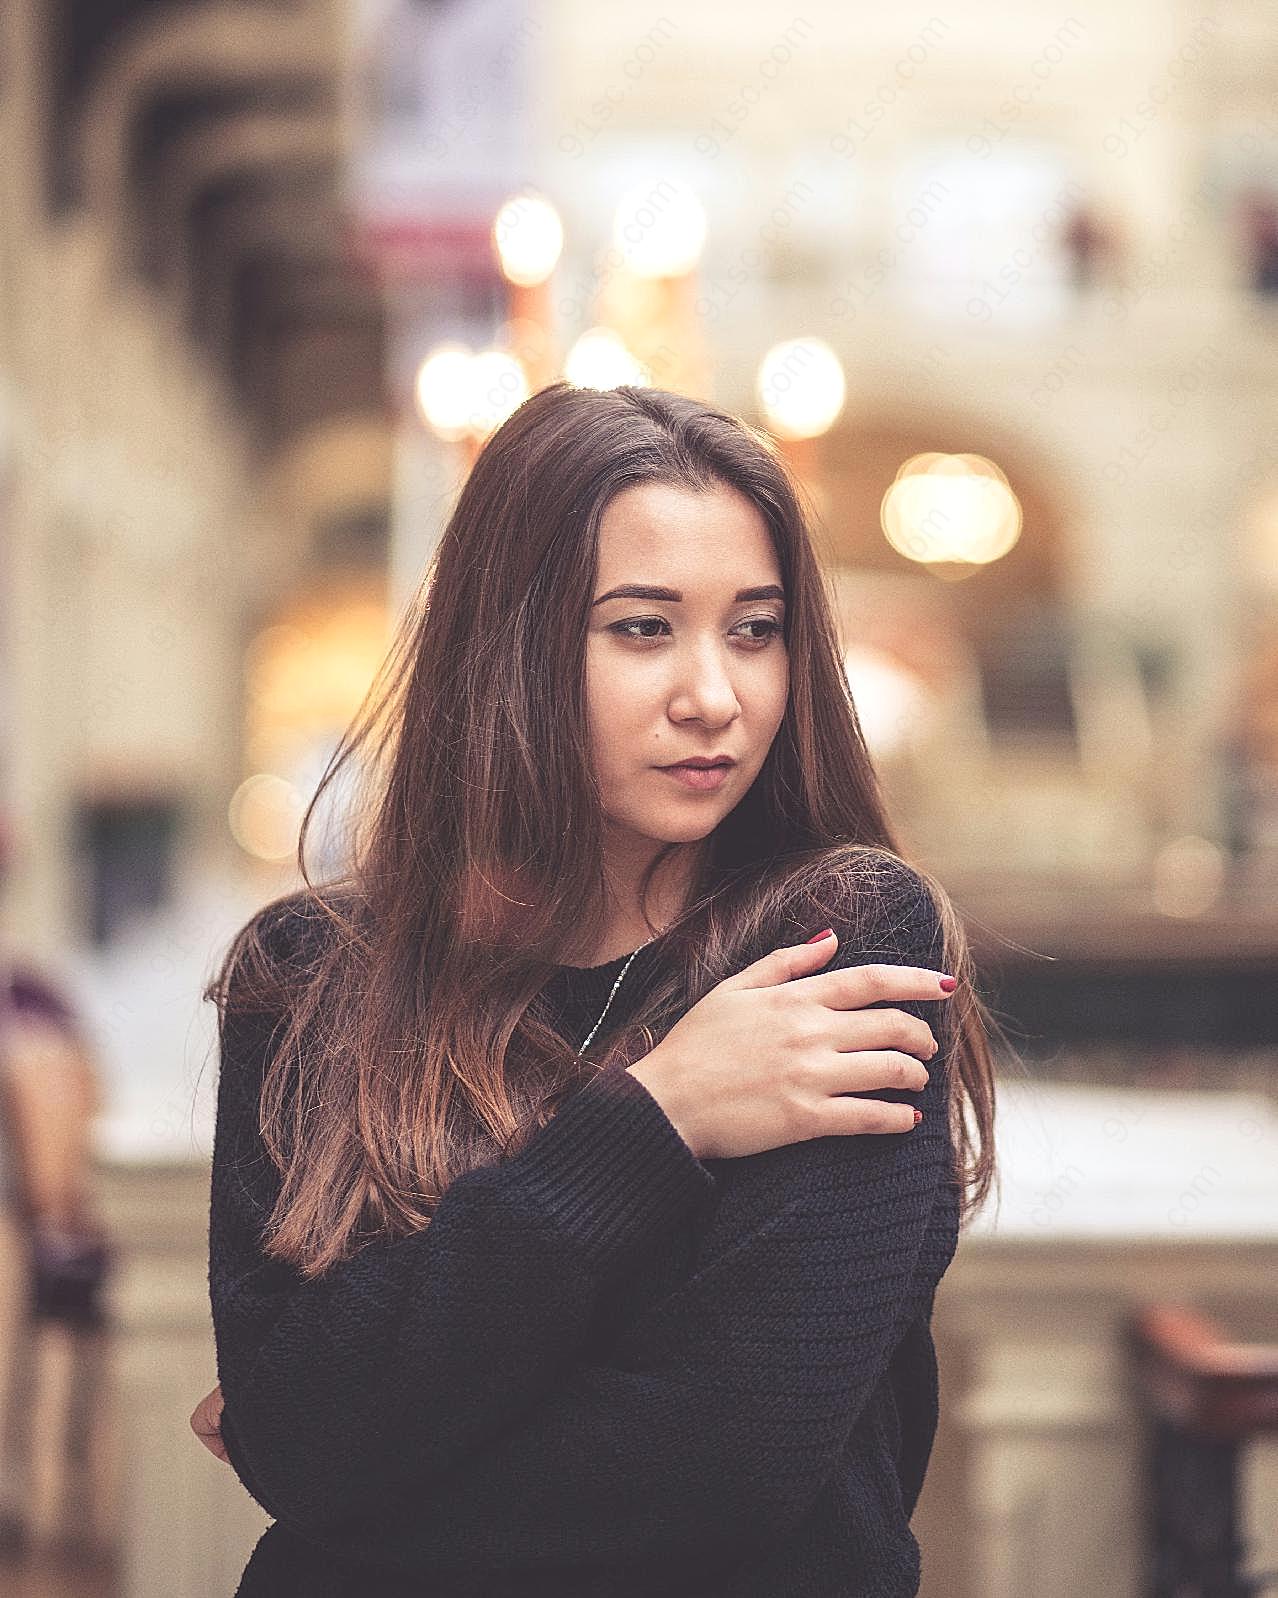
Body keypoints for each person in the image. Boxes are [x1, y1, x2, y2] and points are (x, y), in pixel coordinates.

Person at [191, 382, 1001, 1596]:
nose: (713, 696)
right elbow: (312, 1431)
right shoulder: (311, 975)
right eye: (641, 627)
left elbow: (727, 1466)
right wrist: (653, 1120)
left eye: (754, 628)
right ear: (507, 641)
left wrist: (338, 1499)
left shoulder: (839, 937)